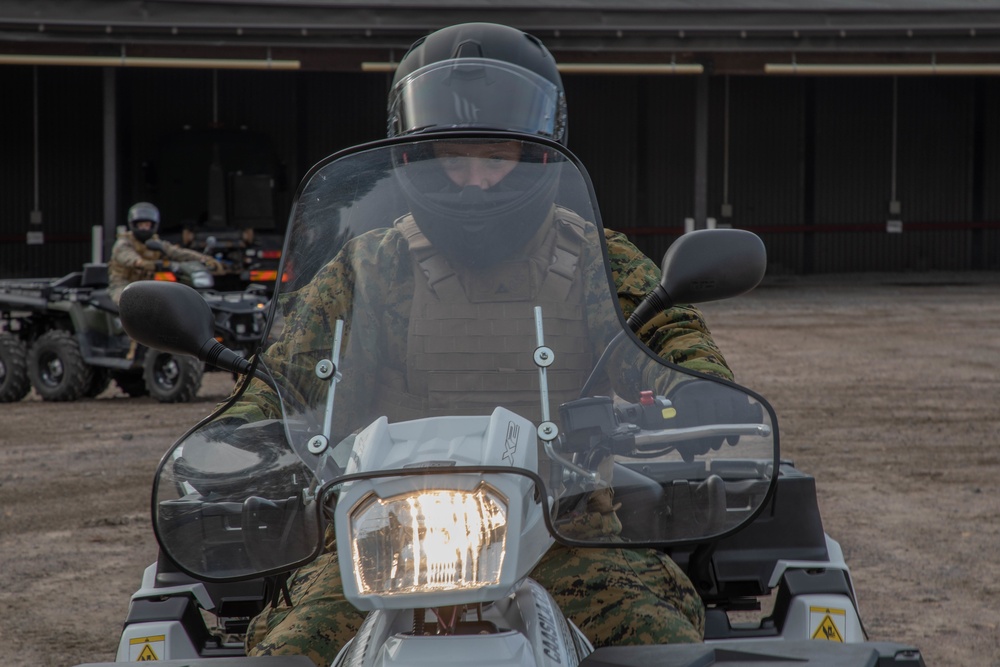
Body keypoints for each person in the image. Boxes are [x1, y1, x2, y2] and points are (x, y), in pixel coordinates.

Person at [239, 22, 734, 667]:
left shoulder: (592, 258)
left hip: (564, 536)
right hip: (386, 541)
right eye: (454, 157)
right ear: (412, 157)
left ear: (540, 156)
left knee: (658, 645)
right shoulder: (368, 269)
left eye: (496, 158)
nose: (474, 181)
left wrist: (696, 383)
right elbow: (288, 379)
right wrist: (245, 434)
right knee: (291, 651)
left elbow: (662, 329)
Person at [108, 202, 224, 304]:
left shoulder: (155, 242)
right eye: (141, 225)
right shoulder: (123, 243)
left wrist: (204, 259)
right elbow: (134, 260)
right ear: (134, 225)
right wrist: (159, 265)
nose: (144, 228)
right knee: (129, 303)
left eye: (147, 225)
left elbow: (177, 252)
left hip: (149, 285)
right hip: (124, 284)